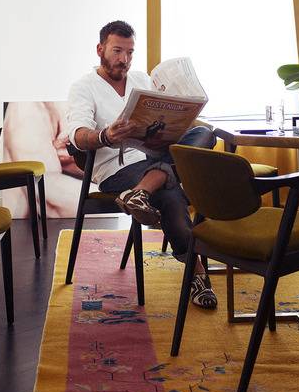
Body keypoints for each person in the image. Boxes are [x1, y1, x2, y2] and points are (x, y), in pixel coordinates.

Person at [67, 19, 217, 309]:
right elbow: (77, 135)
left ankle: (142, 192)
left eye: (130, 52)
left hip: (153, 154)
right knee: (173, 193)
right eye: (117, 51)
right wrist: (105, 135)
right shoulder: (84, 87)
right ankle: (197, 273)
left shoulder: (141, 80)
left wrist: (169, 128)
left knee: (203, 134)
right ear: (100, 49)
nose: (124, 59)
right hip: (116, 168)